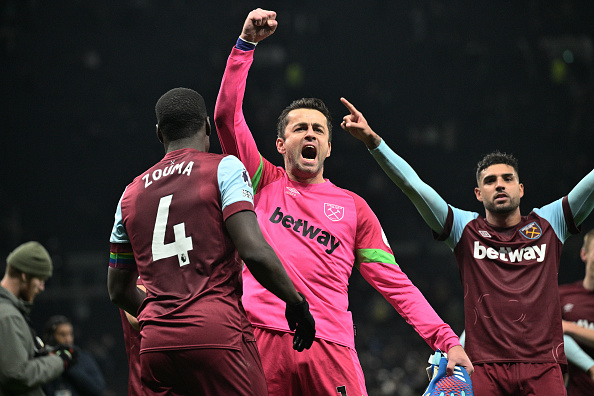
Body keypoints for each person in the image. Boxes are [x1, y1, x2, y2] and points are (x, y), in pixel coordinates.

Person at [214, 8, 472, 396]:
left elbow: (395, 285)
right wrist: (245, 45)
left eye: (318, 129)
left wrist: (446, 339)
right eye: (300, 128)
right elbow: (225, 117)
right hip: (262, 338)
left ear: (329, 148)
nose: (310, 134)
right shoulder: (260, 178)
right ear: (281, 144)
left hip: (331, 345)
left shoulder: (354, 208)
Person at [339, 97, 594, 395]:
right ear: (477, 193)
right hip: (483, 367)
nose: (499, 185)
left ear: (520, 189)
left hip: (543, 366)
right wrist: (374, 142)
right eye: (490, 181)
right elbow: (413, 186)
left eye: (507, 179)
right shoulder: (464, 228)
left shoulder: (551, 223)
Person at [107, 87, 315, 395]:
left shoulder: (129, 194)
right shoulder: (224, 167)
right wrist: (296, 302)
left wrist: (159, 318)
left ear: (158, 133)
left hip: (156, 347)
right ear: (206, 126)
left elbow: (117, 289)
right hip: (218, 335)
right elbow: (254, 251)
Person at [0, 241, 77, 396]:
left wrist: (49, 353)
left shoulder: (9, 312)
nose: (42, 287)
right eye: (40, 280)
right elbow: (17, 375)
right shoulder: (8, 316)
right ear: (24, 275)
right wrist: (60, 361)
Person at [560, 229, 594, 395]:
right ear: (584, 254)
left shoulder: (566, 325)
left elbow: (562, 329)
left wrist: (569, 327)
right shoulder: (563, 295)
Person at [41, 315, 106, 396]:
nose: (68, 339)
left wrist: (70, 367)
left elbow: (98, 389)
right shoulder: (43, 360)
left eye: (70, 334)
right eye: (62, 334)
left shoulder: (83, 358)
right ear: (51, 337)